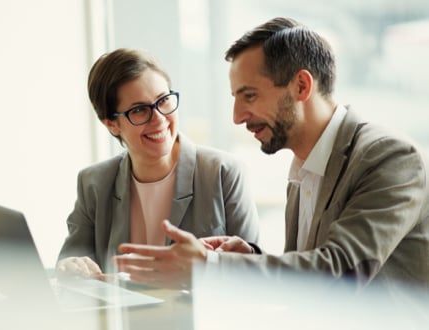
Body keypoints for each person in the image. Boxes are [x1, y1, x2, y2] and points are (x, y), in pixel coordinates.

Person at [114, 17, 429, 290]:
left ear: (301, 87)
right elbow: (309, 275)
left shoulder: (389, 157)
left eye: (249, 95)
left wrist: (212, 268)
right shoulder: (305, 163)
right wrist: (249, 259)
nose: (237, 116)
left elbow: (342, 273)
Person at [56, 48, 260, 278]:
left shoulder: (223, 172)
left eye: (163, 101)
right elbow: (71, 261)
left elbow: (253, 272)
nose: (159, 119)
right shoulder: (93, 182)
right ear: (111, 124)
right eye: (140, 110)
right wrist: (72, 266)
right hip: (124, 313)